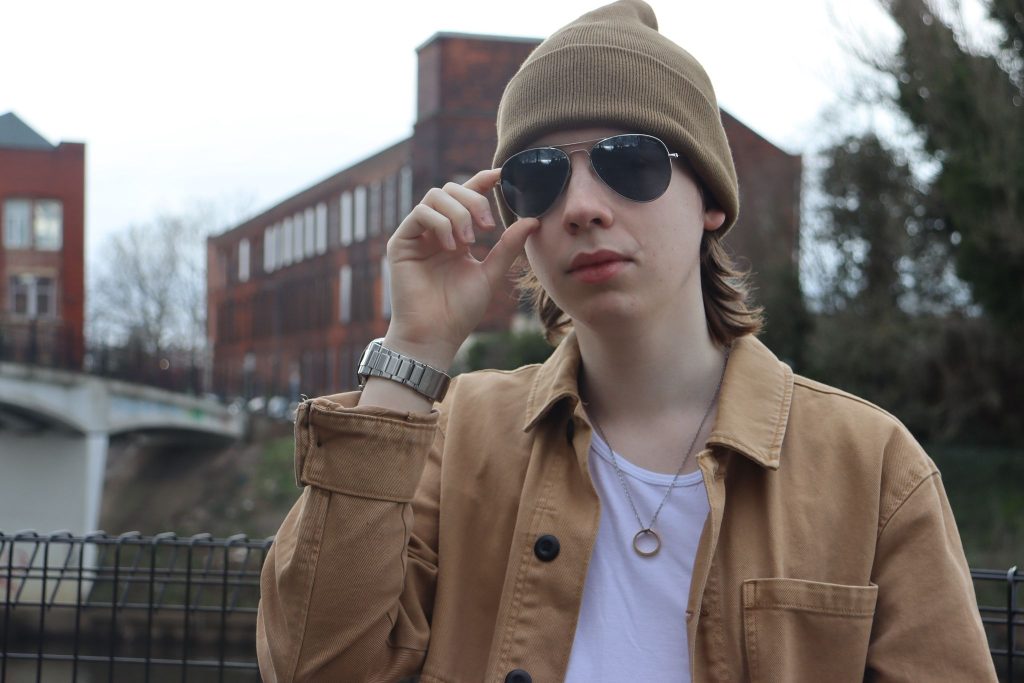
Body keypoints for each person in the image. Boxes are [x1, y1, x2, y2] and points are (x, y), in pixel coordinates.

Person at [256, 2, 998, 681]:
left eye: (630, 162)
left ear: (709, 197)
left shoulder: (870, 468)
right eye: (539, 177)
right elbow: (313, 666)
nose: (581, 206)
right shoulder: (456, 437)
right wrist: (411, 350)